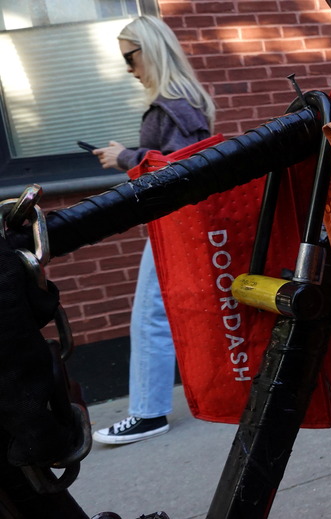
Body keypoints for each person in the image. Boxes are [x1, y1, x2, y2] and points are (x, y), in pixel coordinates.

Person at [91, 15, 215, 445]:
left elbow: (180, 168)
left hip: (174, 224)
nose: (128, 67)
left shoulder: (171, 105)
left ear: (151, 50)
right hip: (185, 223)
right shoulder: (186, 100)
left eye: (130, 57)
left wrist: (127, 157)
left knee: (150, 316)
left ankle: (147, 414)